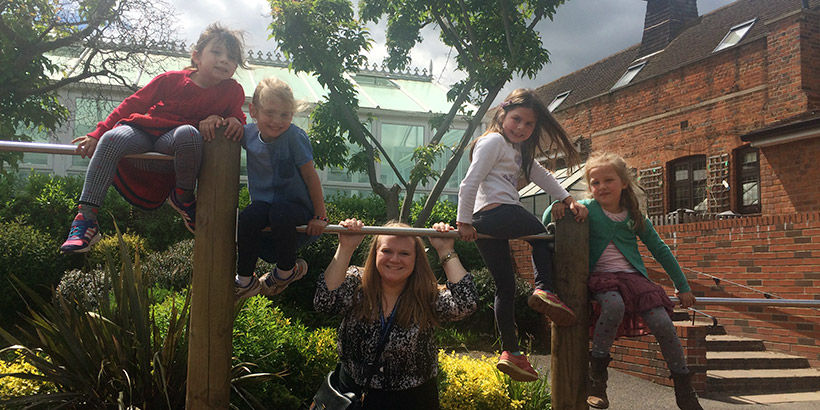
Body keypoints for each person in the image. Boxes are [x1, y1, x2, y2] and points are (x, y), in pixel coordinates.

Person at [59, 22, 247, 254]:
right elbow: (133, 104)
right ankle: (86, 219)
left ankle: (183, 198)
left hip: (173, 140)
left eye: (231, 57)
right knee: (113, 138)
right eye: (216, 52)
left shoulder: (232, 90)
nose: (224, 60)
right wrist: (99, 132)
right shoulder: (172, 79)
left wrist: (232, 120)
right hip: (145, 131)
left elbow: (236, 117)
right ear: (196, 56)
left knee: (190, 134)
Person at [544, 152, 703, 410]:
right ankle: (597, 378)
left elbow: (660, 249)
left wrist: (682, 286)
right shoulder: (586, 208)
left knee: (663, 322)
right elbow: (548, 221)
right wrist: (557, 207)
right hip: (602, 279)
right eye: (595, 183)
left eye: (609, 180)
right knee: (614, 305)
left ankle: (684, 389)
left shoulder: (634, 216)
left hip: (633, 279)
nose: (602, 187)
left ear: (624, 183)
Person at [456, 88, 588, 382]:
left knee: (505, 286)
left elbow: (543, 176)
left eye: (529, 125)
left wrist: (567, 199)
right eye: (516, 119)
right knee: (542, 237)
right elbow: (469, 182)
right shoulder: (493, 141)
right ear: (502, 115)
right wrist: (462, 222)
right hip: (498, 212)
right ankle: (544, 288)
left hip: (485, 222)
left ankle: (511, 352)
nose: (521, 128)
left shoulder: (516, 151)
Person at [314, 218, 477, 410]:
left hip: (412, 400)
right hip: (352, 397)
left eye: (405, 253)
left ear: (416, 259)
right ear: (375, 253)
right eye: (386, 251)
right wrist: (346, 246)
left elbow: (466, 303)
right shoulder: (356, 284)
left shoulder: (426, 295)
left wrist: (445, 250)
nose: (394, 259)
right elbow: (324, 301)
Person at [234, 77, 328, 299]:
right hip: (265, 204)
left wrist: (320, 216)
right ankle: (244, 280)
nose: (277, 121)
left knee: (280, 211)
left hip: (295, 207)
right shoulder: (247, 135)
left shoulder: (294, 137)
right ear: (253, 111)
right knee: (247, 217)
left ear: (292, 115)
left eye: (285, 115)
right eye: (270, 113)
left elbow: (310, 176)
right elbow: (230, 125)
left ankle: (286, 271)